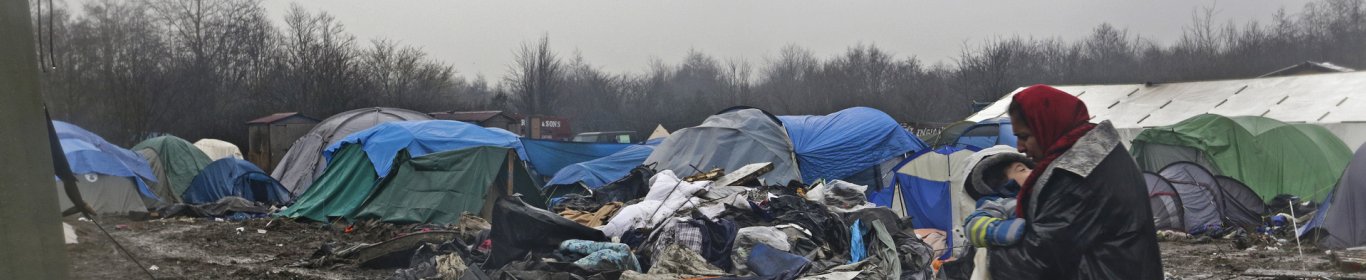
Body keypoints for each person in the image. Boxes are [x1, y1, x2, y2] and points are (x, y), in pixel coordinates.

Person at [988, 84, 1162, 279]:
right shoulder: (1102, 154)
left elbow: (1038, 261)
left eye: (1024, 137)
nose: (1019, 148)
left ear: (1046, 126)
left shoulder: (1075, 178)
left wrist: (980, 259)